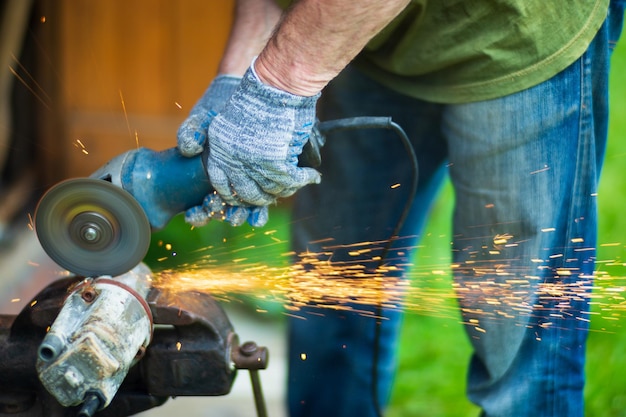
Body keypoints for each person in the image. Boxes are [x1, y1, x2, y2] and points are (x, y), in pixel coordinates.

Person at [176, 1, 625, 416]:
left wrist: (275, 89)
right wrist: (236, 81)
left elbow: (283, 78)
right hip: (357, 32)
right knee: (333, 284)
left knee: (519, 332)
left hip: (514, 34)